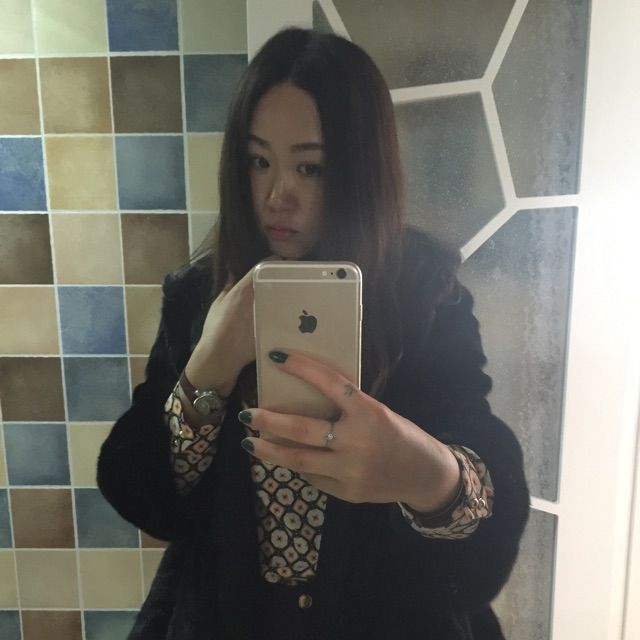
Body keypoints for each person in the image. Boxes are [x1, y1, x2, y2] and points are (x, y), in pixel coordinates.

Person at [97, 27, 529, 640]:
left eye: (311, 167)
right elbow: (144, 498)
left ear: (359, 171)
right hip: (231, 617)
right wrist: (206, 370)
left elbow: (482, 491)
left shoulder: (422, 293)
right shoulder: (201, 296)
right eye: (258, 161)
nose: (278, 195)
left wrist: (426, 475)